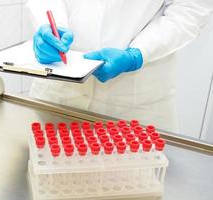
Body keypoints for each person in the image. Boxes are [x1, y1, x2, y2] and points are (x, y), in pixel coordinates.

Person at [26, 0, 212, 131]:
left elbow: (190, 8)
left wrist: (138, 53)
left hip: (134, 99)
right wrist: (51, 27)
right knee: (47, 174)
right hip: (59, 87)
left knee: (139, 180)